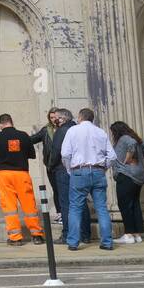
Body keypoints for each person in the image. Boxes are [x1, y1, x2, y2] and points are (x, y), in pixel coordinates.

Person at [59, 107, 115, 251]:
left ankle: (73, 242)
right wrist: (103, 168)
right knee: (102, 208)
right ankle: (107, 242)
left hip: (79, 170)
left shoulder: (73, 131)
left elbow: (65, 154)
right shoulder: (100, 132)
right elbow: (112, 156)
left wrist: (69, 169)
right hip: (97, 171)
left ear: (80, 117)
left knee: (75, 208)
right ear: (92, 118)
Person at [0, 113, 45, 246]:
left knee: (9, 207)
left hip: (4, 174)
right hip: (22, 173)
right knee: (29, 204)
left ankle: (15, 237)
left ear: (1, 124)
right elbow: (32, 155)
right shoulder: (23, 136)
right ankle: (37, 236)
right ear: (12, 122)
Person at [46, 107, 92, 246]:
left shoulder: (63, 130)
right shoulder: (78, 129)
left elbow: (57, 151)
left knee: (66, 204)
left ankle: (67, 234)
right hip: (80, 169)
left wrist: (51, 165)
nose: (56, 121)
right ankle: (85, 234)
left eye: (58, 118)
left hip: (63, 170)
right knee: (81, 202)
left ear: (63, 118)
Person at [110, 120, 144, 244]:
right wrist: (140, 157)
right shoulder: (135, 138)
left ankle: (128, 235)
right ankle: (136, 234)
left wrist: (128, 159)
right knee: (134, 205)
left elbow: (131, 145)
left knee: (124, 205)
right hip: (138, 176)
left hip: (126, 175)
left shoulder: (124, 138)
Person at [28, 109, 62, 224]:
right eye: (51, 117)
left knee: (64, 190)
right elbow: (32, 139)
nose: (54, 120)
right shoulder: (46, 130)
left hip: (63, 165)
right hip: (51, 165)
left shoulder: (65, 128)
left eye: (55, 117)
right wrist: (19, 138)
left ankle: (66, 213)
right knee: (56, 190)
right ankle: (60, 213)